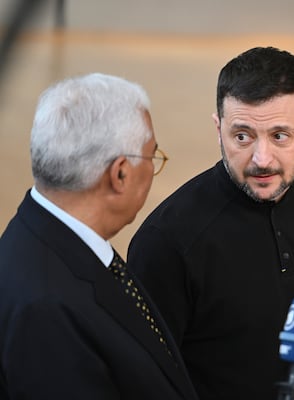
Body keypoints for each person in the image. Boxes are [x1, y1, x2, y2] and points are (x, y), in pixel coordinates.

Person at [127, 46, 294, 399]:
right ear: (218, 127)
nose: (262, 158)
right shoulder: (167, 240)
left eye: (280, 136)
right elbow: (143, 382)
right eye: (242, 136)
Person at [0, 73, 198, 400]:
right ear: (120, 173)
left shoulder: (52, 242)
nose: (153, 166)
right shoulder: (46, 309)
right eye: (152, 155)